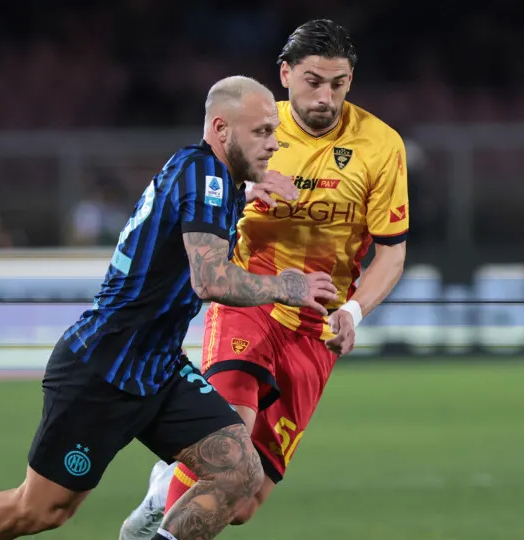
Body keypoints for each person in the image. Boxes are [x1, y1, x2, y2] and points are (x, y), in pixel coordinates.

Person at [0, 75, 338, 540]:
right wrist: (286, 286)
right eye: (261, 131)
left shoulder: (208, 177)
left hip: (158, 367)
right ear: (221, 128)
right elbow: (210, 279)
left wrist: (244, 193)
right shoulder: (206, 177)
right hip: (103, 368)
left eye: (274, 131)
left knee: (239, 471)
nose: (273, 144)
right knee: (40, 510)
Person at [120, 18, 409, 539]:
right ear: (285, 74)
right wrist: (243, 193)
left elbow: (392, 253)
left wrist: (353, 311)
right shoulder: (252, 127)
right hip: (249, 300)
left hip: (316, 327)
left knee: (244, 503)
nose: (325, 97)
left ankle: (163, 492)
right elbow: (194, 200)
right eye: (313, 81)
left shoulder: (381, 145)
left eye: (339, 83)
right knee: (227, 449)